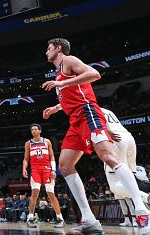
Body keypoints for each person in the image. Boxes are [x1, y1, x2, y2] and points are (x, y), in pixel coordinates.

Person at [41, 38, 149, 234]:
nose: (46, 52)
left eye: (49, 48)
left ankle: (142, 210)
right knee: (65, 165)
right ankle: (89, 218)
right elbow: (72, 93)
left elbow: (94, 74)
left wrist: (63, 81)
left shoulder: (69, 60)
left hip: (88, 112)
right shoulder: (58, 73)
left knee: (108, 157)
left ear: (58, 49)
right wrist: (57, 107)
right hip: (75, 120)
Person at [101, 107, 150, 227]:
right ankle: (136, 218)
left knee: (114, 186)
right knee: (128, 181)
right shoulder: (107, 110)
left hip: (115, 139)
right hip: (129, 138)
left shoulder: (88, 109)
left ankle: (145, 197)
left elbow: (99, 127)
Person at [22, 123, 65, 228]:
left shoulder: (47, 141)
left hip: (47, 169)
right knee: (34, 194)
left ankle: (60, 218)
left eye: (36, 129)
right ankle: (30, 218)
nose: (34, 131)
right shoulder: (28, 143)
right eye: (32, 130)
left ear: (40, 131)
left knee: (51, 194)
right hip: (35, 170)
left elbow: (52, 157)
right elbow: (26, 158)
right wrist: (24, 168)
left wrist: (53, 170)